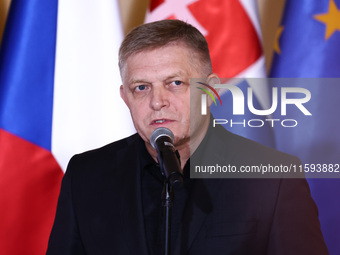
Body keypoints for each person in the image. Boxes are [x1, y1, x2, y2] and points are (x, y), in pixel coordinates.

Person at [46, 19, 328, 255]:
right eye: (142, 87)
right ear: (125, 97)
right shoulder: (86, 175)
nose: (157, 101)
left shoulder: (273, 177)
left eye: (175, 83)